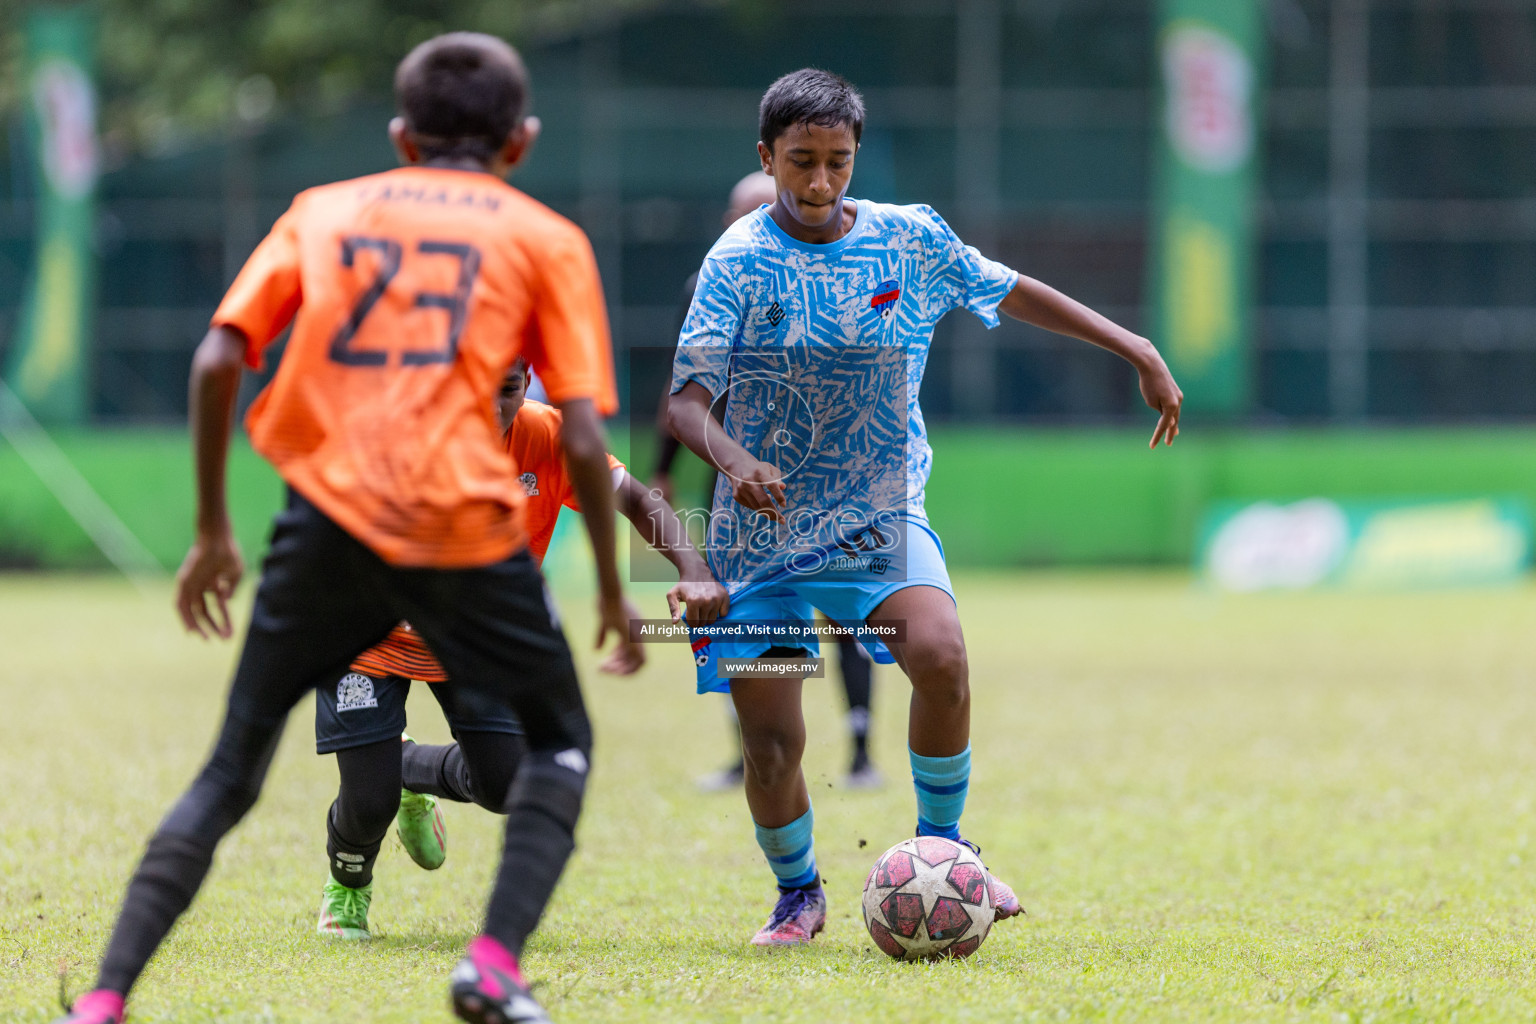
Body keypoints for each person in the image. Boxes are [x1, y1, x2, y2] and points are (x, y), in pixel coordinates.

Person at [56, 33, 628, 1024]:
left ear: (402, 137)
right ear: (521, 142)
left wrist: (210, 531)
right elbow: (580, 429)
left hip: (328, 520)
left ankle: (103, 1001)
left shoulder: (322, 213)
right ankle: (491, 963)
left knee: (230, 769)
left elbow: (214, 362)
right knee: (561, 748)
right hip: (461, 531)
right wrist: (616, 591)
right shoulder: (546, 239)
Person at [668, 69, 1183, 947]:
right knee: (772, 745)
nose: (821, 183)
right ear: (766, 157)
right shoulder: (737, 262)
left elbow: (1009, 289)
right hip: (756, 538)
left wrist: (1131, 344)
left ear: (856, 155)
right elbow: (684, 404)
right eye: (800, 163)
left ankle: (946, 855)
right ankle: (798, 894)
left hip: (876, 517)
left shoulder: (910, 239)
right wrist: (736, 458)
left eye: (837, 162)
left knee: (940, 656)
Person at [314, 360, 728, 940]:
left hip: (473, 642)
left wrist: (693, 566)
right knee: (367, 802)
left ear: (527, 382)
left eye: (506, 390)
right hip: (369, 639)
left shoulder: (547, 436)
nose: (490, 409)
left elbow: (636, 500)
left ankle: (406, 767)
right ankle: (349, 886)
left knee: (510, 785)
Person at [654, 171, 884, 793]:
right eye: (738, 211)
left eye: (757, 210)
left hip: (833, 485)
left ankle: (862, 751)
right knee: (747, 624)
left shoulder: (836, 277)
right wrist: (662, 471)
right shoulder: (709, 283)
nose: (747, 222)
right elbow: (681, 393)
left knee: (850, 619)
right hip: (739, 484)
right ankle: (750, 753)